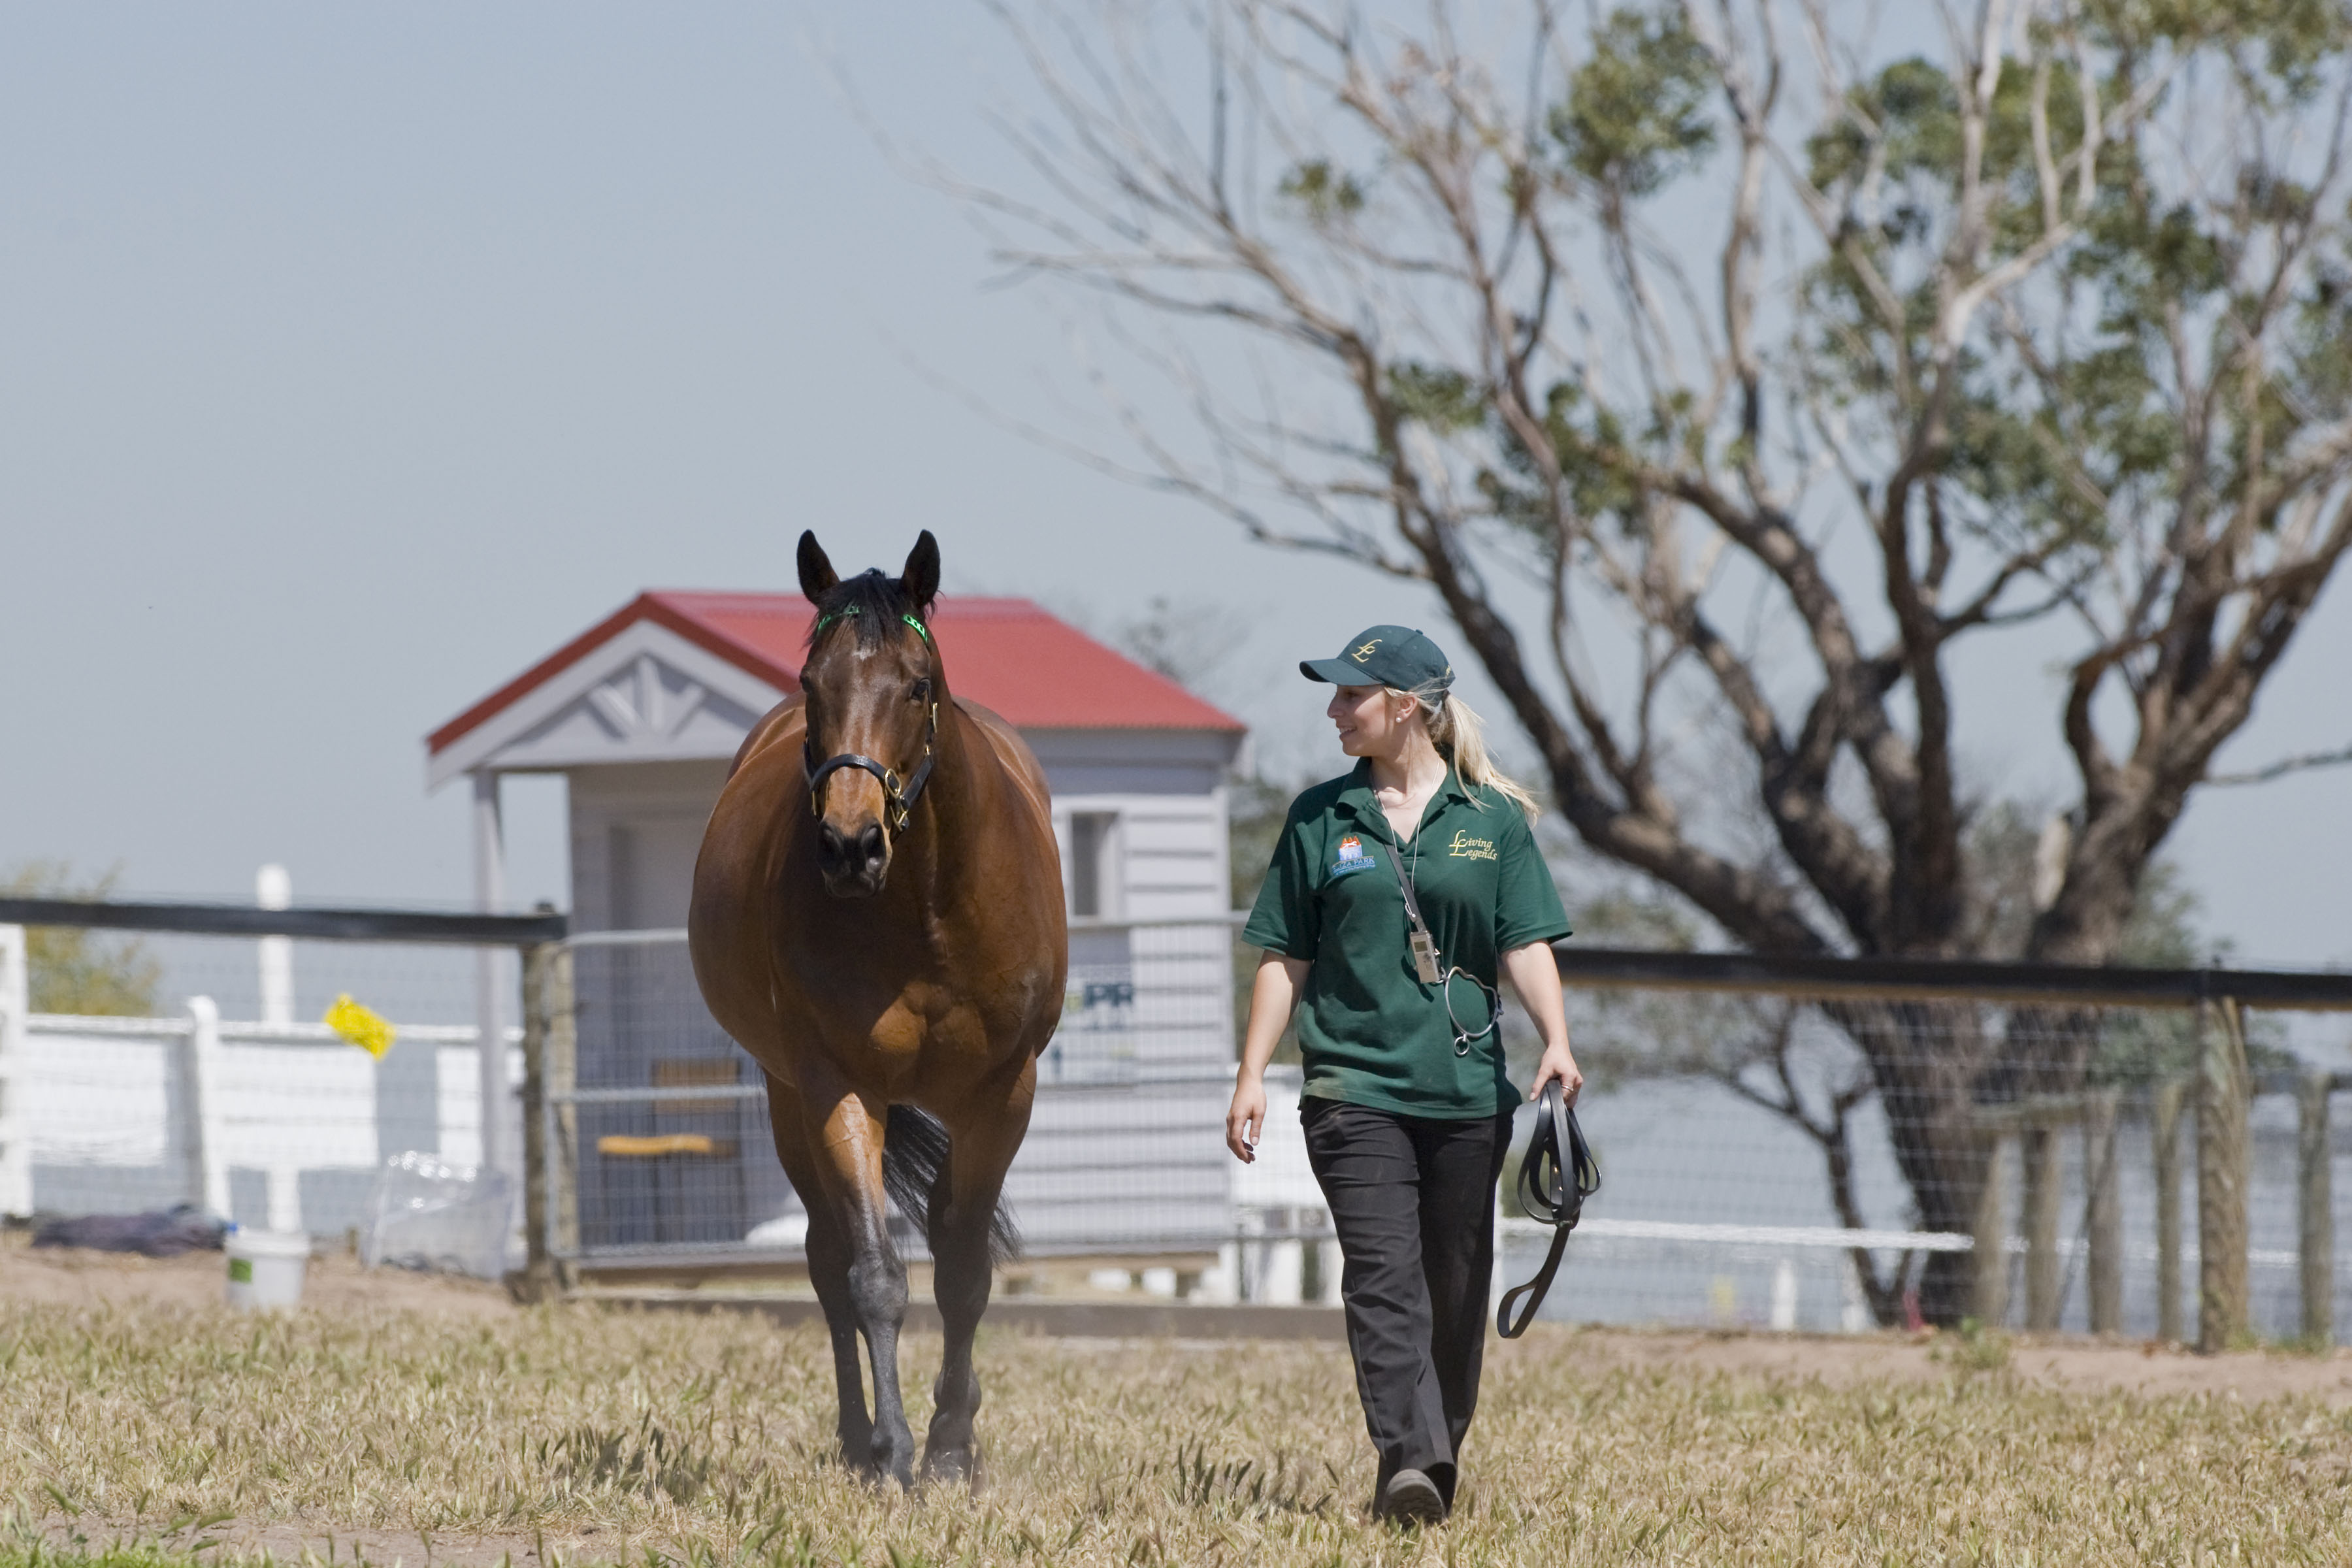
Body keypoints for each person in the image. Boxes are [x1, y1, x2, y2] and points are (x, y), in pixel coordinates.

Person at [1226, 623, 1582, 1528]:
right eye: (1337, 693)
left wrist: (1556, 1039)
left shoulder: (1491, 821)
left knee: (1453, 1290)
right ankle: (1408, 1460)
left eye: (1352, 695)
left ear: (1409, 709)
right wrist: (1252, 1073)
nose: (1334, 709)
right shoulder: (1319, 818)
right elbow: (1282, 957)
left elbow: (1525, 942)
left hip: (1466, 1094)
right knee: (1383, 1277)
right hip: (1353, 1090)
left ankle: (1437, 1453)